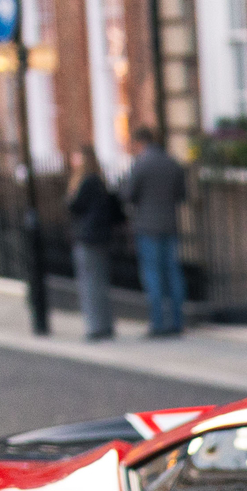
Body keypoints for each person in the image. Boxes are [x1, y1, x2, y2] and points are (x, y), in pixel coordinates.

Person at [120, 123, 187, 337]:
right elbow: (181, 195)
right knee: (173, 273)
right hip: (169, 225)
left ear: (139, 142)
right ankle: (176, 321)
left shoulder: (141, 164)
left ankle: (158, 324)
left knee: (153, 276)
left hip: (148, 227)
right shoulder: (171, 163)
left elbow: (128, 194)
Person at [65, 146, 124, 342]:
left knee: (89, 284)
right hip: (101, 237)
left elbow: (74, 206)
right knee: (100, 282)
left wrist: (71, 194)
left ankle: (95, 326)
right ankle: (105, 324)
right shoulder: (99, 180)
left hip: (88, 238)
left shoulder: (86, 182)